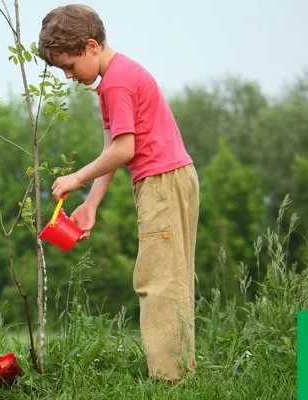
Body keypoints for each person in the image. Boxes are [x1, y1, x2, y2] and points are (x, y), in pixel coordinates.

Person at [38, 4, 199, 384]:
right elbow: (113, 147)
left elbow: (125, 151)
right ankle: (179, 373)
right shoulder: (111, 81)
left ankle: (170, 378)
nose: (68, 76)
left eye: (70, 66)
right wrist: (91, 203)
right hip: (165, 179)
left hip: (162, 182)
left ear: (91, 46)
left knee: (158, 280)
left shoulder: (117, 83)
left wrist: (76, 178)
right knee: (170, 276)